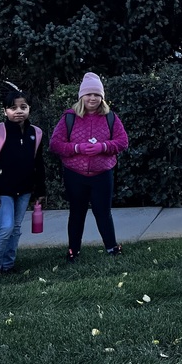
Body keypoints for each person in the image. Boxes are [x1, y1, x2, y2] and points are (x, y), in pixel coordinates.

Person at [50, 72, 130, 261]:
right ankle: (73, 250)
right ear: (81, 96)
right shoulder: (69, 118)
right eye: (88, 94)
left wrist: (103, 147)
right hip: (75, 174)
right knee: (76, 213)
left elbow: (123, 141)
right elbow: (55, 144)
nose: (92, 98)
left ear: (102, 97)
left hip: (102, 173)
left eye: (96, 95)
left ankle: (112, 247)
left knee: (103, 213)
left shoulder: (111, 117)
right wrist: (77, 148)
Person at [0, 82, 46, 281]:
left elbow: (38, 163)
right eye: (13, 108)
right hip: (1, 191)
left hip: (24, 190)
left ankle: (8, 265)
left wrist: (39, 191)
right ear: (5, 110)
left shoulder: (36, 133)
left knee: (15, 229)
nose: (18, 111)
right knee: (5, 227)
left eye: (23, 107)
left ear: (29, 108)